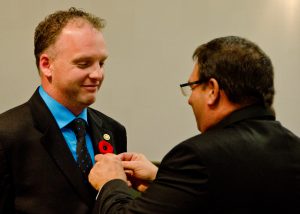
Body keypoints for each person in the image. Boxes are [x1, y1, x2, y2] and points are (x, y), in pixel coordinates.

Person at [88, 36, 300, 213]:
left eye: (192, 87)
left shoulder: (196, 156)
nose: (189, 99)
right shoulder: (293, 148)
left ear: (212, 90)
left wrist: (111, 183)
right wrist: (160, 178)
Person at [0, 7, 127, 214]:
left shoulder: (113, 130)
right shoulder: (7, 135)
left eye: (101, 63)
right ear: (47, 65)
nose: (97, 74)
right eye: (84, 63)